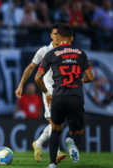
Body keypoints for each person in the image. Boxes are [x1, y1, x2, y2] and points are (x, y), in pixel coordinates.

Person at [35, 25, 94, 168]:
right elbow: (91, 77)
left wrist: (47, 94)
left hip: (58, 96)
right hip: (76, 96)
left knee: (55, 129)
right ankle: (72, 140)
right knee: (78, 131)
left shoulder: (52, 53)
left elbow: (37, 78)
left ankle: (52, 164)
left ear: (57, 37)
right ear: (72, 38)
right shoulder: (81, 53)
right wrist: (80, 80)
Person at [15, 22, 67, 163]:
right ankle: (55, 152)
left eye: (59, 33)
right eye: (55, 33)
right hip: (48, 91)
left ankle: (37, 143)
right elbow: (30, 68)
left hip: (62, 91)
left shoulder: (66, 51)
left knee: (58, 125)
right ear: (51, 35)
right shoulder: (44, 50)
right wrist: (20, 85)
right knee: (54, 122)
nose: (57, 36)